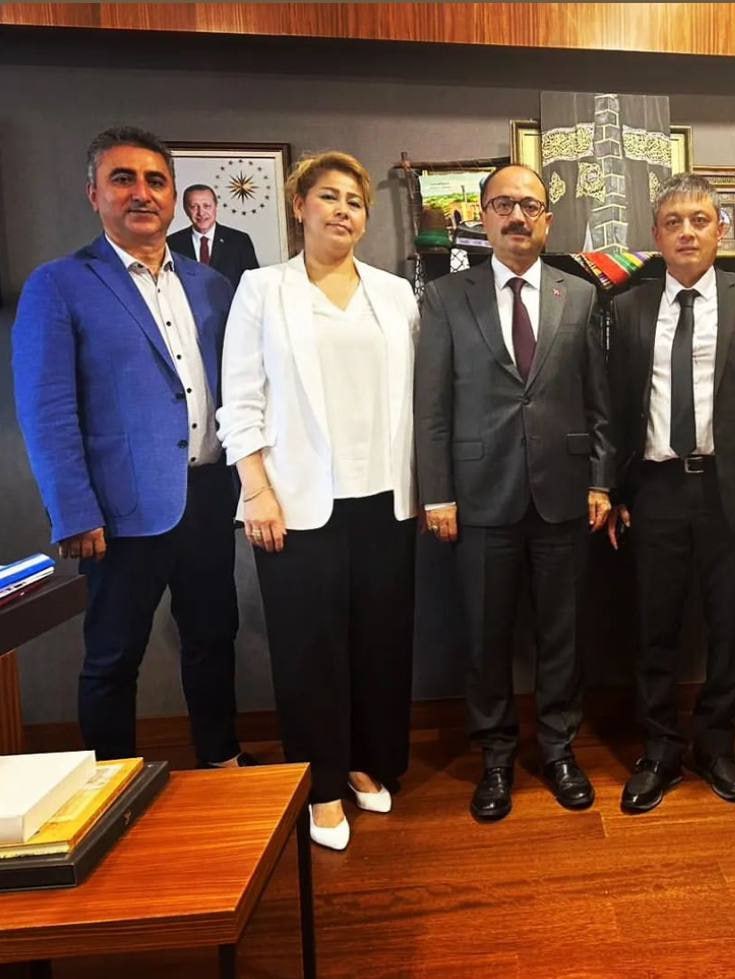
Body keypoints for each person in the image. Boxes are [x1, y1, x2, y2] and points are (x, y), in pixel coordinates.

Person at [12, 126, 250, 769]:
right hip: (117, 514)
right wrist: (73, 510)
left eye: (155, 181)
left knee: (213, 639)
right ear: (94, 193)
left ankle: (221, 763)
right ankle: (109, 788)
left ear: (172, 197)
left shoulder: (211, 286)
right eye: (123, 179)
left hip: (208, 497)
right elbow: (47, 410)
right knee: (113, 656)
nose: (141, 193)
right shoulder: (59, 284)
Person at [217, 151, 420, 851]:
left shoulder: (394, 293)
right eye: (328, 196)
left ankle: (366, 761)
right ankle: (322, 785)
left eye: (354, 201)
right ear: (298, 206)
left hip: (387, 498)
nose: (342, 210)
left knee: (380, 642)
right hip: (297, 504)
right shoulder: (262, 289)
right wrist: (256, 490)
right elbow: (240, 398)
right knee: (309, 650)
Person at [415, 163, 614, 823]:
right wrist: (437, 494)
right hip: (478, 497)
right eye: (503, 204)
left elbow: (598, 399)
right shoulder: (446, 297)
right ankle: (495, 756)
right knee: (485, 637)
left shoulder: (578, 295)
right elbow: (432, 407)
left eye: (529, 205)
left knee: (563, 635)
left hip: (564, 495)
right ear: (483, 216)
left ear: (547, 219)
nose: (517, 217)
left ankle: (559, 749)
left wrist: (600, 479)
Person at [606, 173, 735, 813]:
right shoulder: (627, 307)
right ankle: (659, 749)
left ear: (721, 231)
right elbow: (615, 407)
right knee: (653, 626)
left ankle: (716, 744)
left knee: (729, 625)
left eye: (700, 220)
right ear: (656, 236)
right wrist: (614, 487)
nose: (687, 232)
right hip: (655, 489)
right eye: (673, 222)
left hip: (731, 489)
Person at [167, 185, 259, 290]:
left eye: (206, 206)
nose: (201, 213)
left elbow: (254, 285)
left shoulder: (240, 241)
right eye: (194, 207)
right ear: (186, 210)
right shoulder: (172, 244)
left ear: (215, 206)